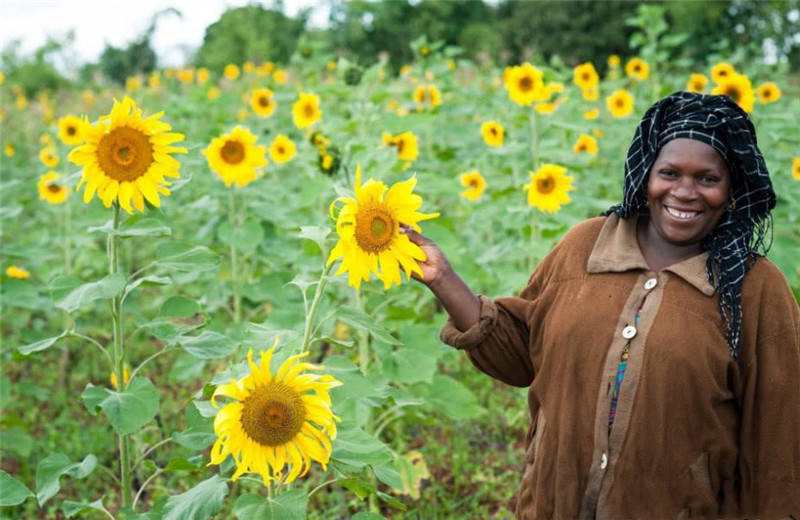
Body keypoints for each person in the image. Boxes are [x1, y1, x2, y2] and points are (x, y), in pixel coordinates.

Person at [401, 91, 800, 519]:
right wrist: (442, 278)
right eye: (669, 173)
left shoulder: (755, 288)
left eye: (707, 179)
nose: (685, 192)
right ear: (646, 172)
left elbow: (777, 441)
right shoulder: (584, 248)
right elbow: (521, 356)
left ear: (733, 188)